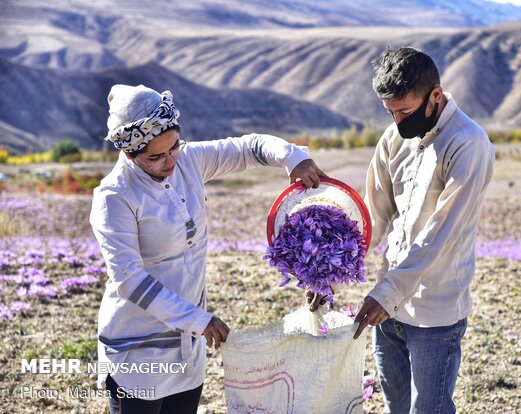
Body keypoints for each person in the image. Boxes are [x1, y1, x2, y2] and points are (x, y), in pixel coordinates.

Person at [89, 84, 325, 414]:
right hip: (138, 348)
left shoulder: (190, 161)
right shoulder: (115, 197)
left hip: (187, 346)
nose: (170, 161)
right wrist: (198, 319)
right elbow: (129, 280)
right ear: (128, 153)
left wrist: (293, 157)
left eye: (173, 148)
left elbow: (250, 147)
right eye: (155, 157)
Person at [352, 47, 495, 413]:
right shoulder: (393, 138)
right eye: (390, 112)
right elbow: (376, 214)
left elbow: (440, 236)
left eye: (405, 112)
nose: (398, 122)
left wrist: (386, 293)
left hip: (435, 312)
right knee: (395, 408)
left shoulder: (468, 144)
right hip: (388, 309)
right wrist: (332, 272)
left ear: (435, 95)